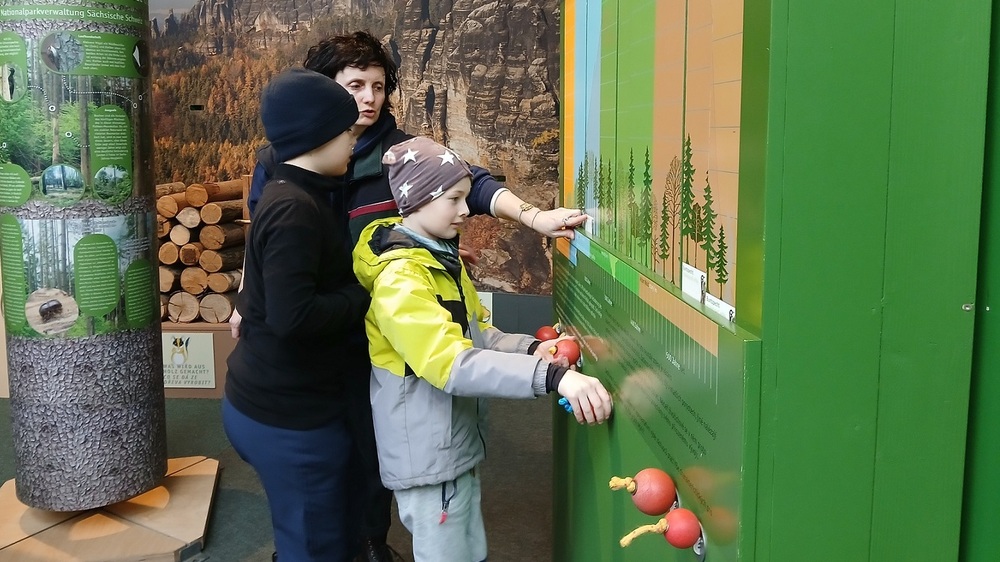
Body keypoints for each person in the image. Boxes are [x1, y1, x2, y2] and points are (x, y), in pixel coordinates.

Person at [232, 31, 588, 562]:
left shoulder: (397, 152)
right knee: (332, 461)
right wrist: (251, 298)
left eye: (378, 86)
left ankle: (369, 541)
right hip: (325, 330)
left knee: (375, 440)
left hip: (377, 324)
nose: (370, 98)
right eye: (356, 86)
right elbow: (265, 240)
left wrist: (533, 217)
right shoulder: (290, 180)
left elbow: (470, 183)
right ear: (323, 96)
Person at [352, 136, 614, 562]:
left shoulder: (437, 258)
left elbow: (479, 337)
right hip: (429, 458)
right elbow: (452, 364)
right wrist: (553, 377)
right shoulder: (402, 280)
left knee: (468, 550)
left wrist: (533, 350)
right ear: (417, 200)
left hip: (452, 445)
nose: (465, 210)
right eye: (453, 199)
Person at [222, 67, 367, 562]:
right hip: (288, 420)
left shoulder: (297, 192)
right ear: (317, 135)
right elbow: (293, 317)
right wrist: (365, 294)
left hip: (281, 404)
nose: (353, 140)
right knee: (312, 545)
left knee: (319, 533)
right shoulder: (295, 210)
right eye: (346, 130)